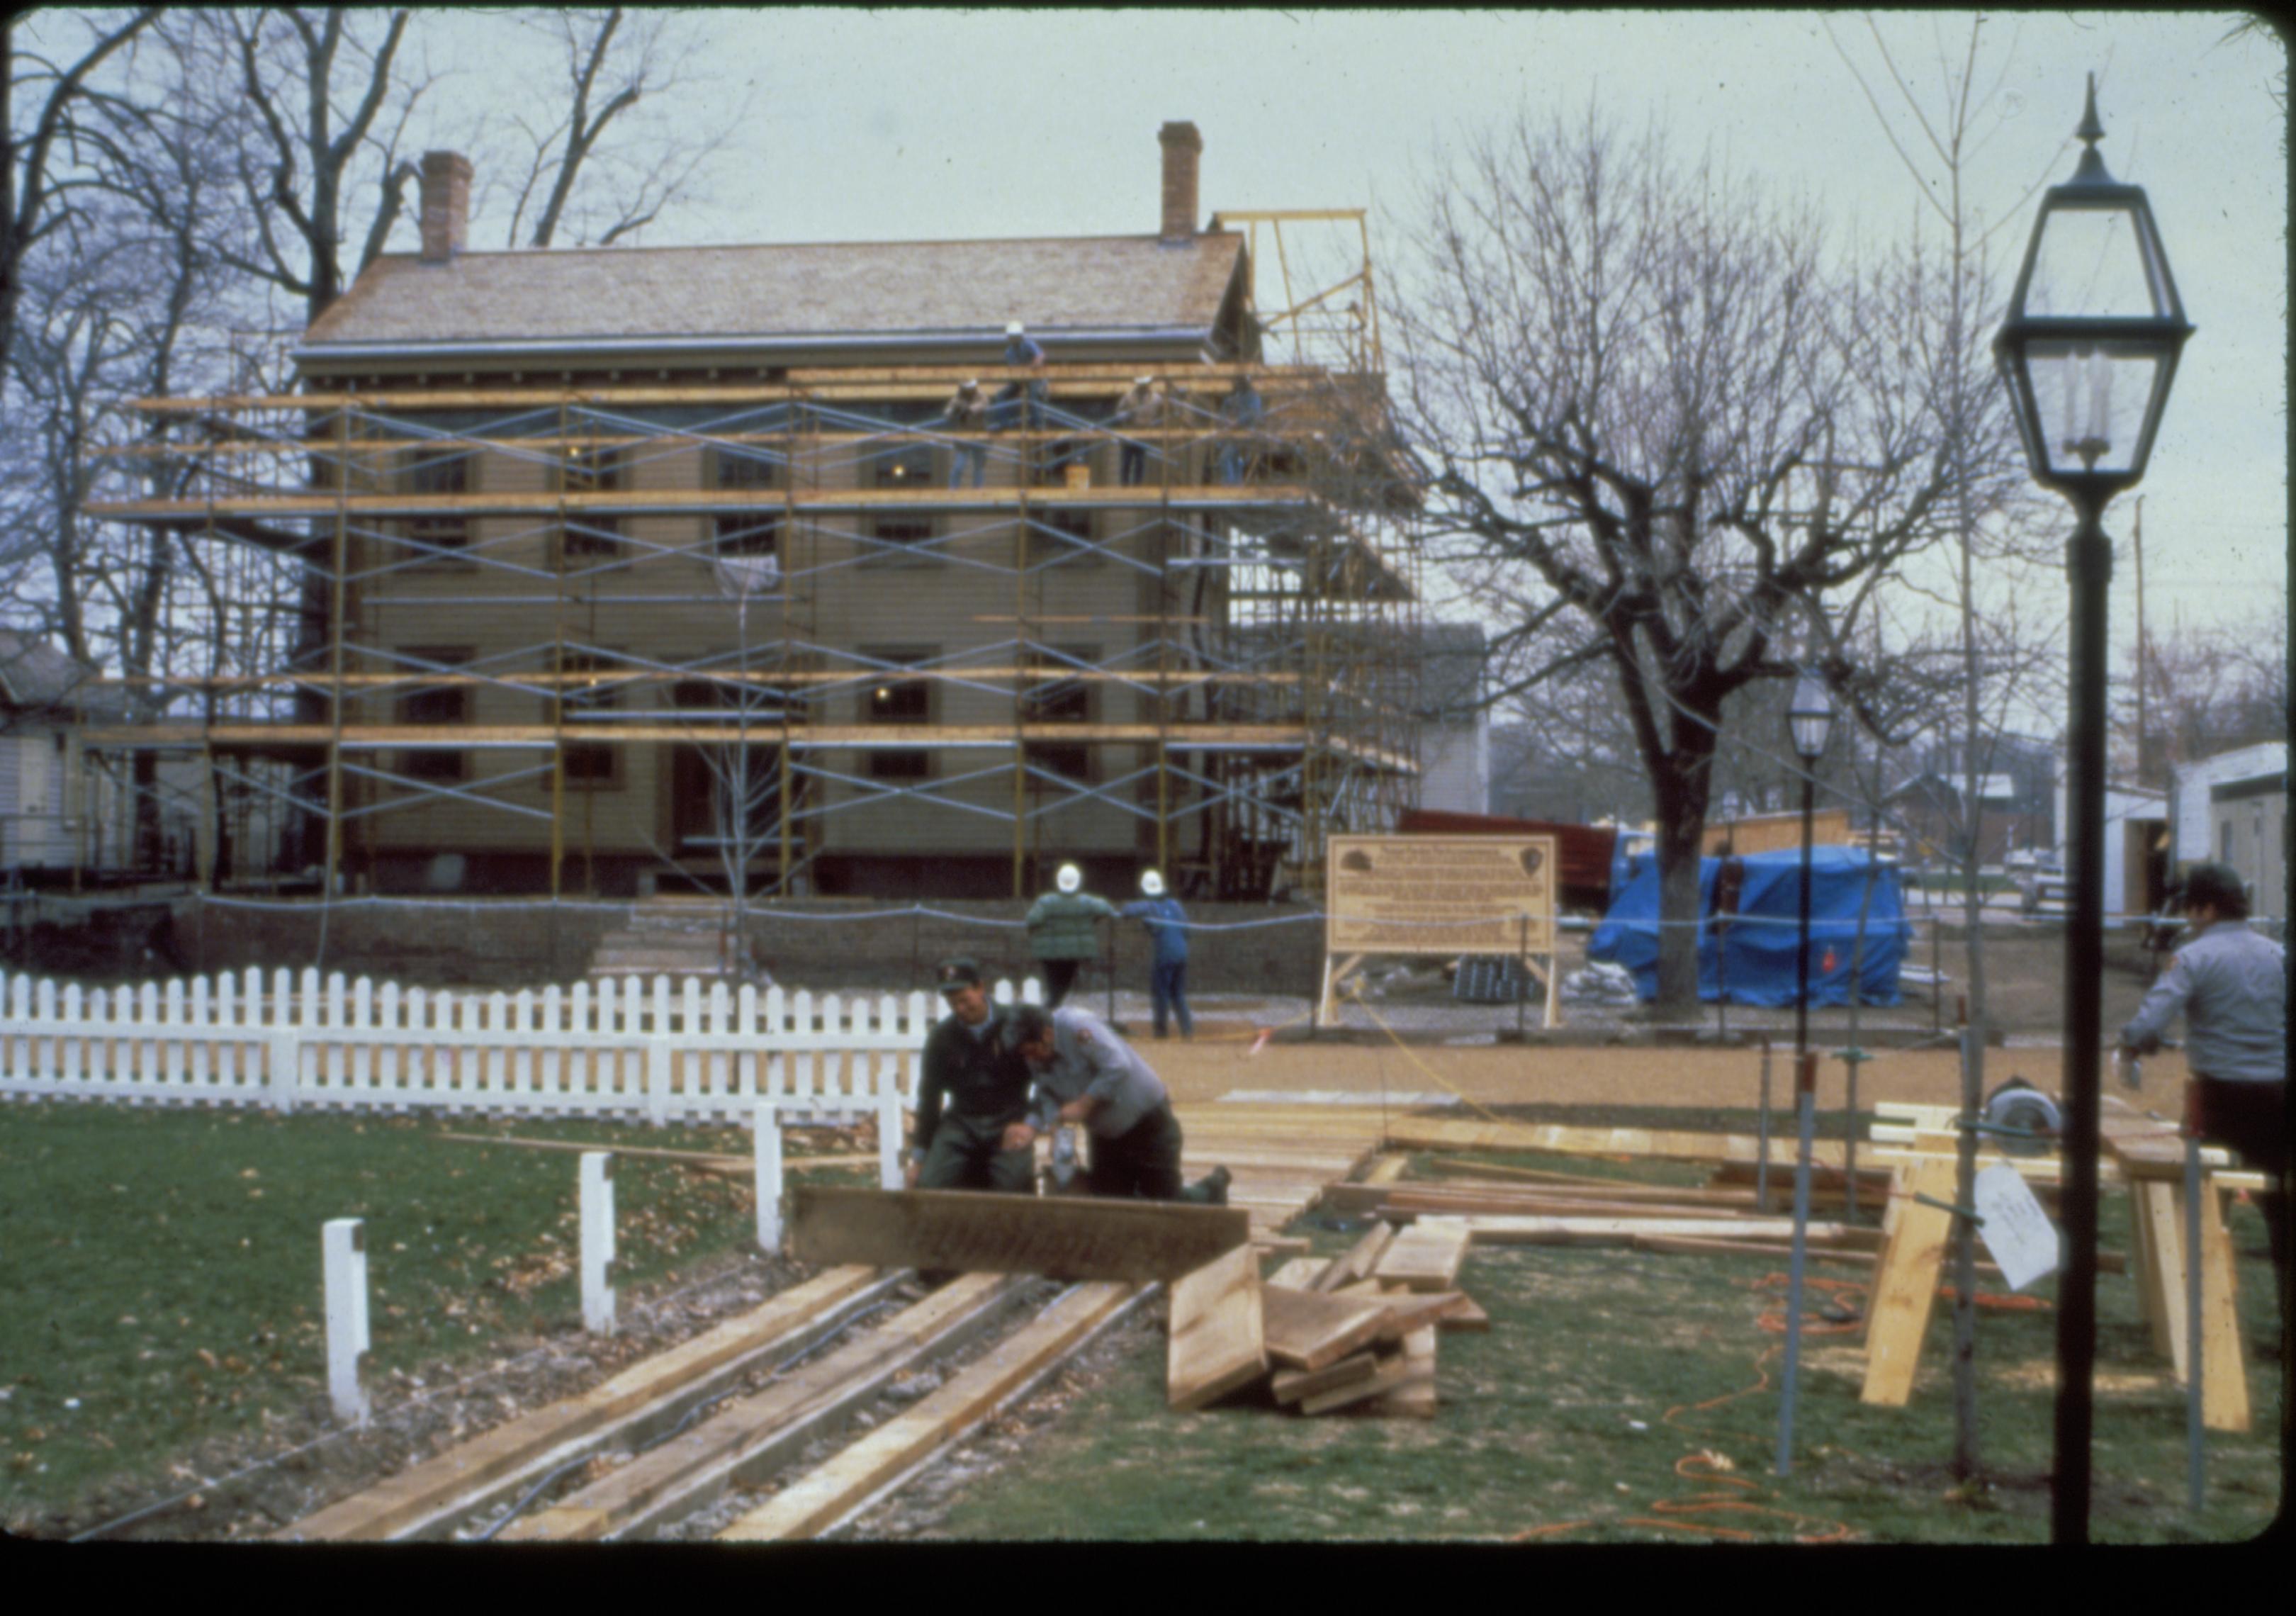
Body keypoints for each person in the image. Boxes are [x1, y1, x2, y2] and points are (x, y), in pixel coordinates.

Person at [2117, 860, 2287, 1330]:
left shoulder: (2194, 958)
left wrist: (2131, 1042)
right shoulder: (2280, 954)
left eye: (2193, 909)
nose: (2190, 918)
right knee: (2285, 1218)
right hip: (2280, 1098)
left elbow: (2152, 1022)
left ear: (2207, 908)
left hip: (2221, 1100)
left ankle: (2198, 1325)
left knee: (2201, 1209)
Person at [999, 1001, 1228, 1204]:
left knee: (1166, 1204)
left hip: (1148, 1124)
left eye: (1032, 1051)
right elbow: (1046, 1092)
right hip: (1106, 1135)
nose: (1031, 1059)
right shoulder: (1034, 1053)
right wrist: (1035, 1126)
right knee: (1110, 1206)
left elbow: (1117, 1065)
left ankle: (1212, 1189)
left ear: (1047, 1034)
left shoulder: (1077, 1026)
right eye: (1025, 1055)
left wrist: (1083, 1104)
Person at [905, 956, 1037, 1194]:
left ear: (980, 988)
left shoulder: (1016, 1025)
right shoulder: (942, 1037)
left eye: (965, 1000)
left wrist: (1030, 1123)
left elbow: (1046, 1079)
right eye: (953, 1003)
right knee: (929, 1185)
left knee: (1014, 1186)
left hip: (1010, 1117)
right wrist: (919, 1158)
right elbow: (929, 1097)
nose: (961, 1009)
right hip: (962, 1121)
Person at [1025, 862, 1115, 1009]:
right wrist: (1092, 920)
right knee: (1062, 987)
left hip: (1050, 953)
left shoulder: (1046, 902)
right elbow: (1107, 909)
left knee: (1054, 988)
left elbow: (1033, 920)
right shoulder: (1087, 902)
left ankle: (1047, 1015)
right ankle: (1049, 1014)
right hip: (1074, 953)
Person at [1120, 868, 1193, 1039]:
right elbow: (1188, 931)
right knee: (1178, 994)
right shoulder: (1176, 905)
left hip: (1165, 956)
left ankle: (1161, 1033)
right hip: (1182, 954)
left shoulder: (1150, 906)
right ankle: (1187, 1031)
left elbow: (1127, 910)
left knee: (1161, 995)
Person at [991, 320, 1049, 435]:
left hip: (1034, 378)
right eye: (1012, 337)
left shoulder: (1028, 344)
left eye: (1016, 336)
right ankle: (1003, 423)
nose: (1014, 338)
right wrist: (1019, 377)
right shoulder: (1009, 352)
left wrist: (1029, 369)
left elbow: (1040, 357)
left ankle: (1037, 422)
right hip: (1019, 380)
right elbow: (1013, 369)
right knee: (1001, 396)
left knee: (1033, 394)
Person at [1110, 376, 1164, 487]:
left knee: (1140, 463)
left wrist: (1156, 424)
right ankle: (1124, 486)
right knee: (1126, 462)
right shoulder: (1128, 397)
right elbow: (1119, 412)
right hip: (1129, 434)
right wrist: (1125, 416)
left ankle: (1137, 487)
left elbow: (1162, 414)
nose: (1143, 387)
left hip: (1145, 434)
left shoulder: (1156, 399)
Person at [1217, 372, 1264, 484]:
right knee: (1234, 461)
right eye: (1235, 383)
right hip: (1230, 435)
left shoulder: (1252, 397)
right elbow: (1223, 412)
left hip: (1244, 435)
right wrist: (1224, 420)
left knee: (1226, 458)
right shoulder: (1231, 398)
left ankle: (1230, 485)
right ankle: (1236, 486)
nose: (1236, 385)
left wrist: (1238, 421)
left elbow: (1253, 413)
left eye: (1238, 383)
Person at [943, 378, 991, 489]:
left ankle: (977, 490)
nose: (969, 390)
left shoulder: (981, 396)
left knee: (979, 467)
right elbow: (947, 412)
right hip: (963, 438)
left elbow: (984, 405)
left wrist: (969, 409)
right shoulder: (957, 399)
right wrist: (953, 411)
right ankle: (953, 490)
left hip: (979, 436)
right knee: (959, 466)